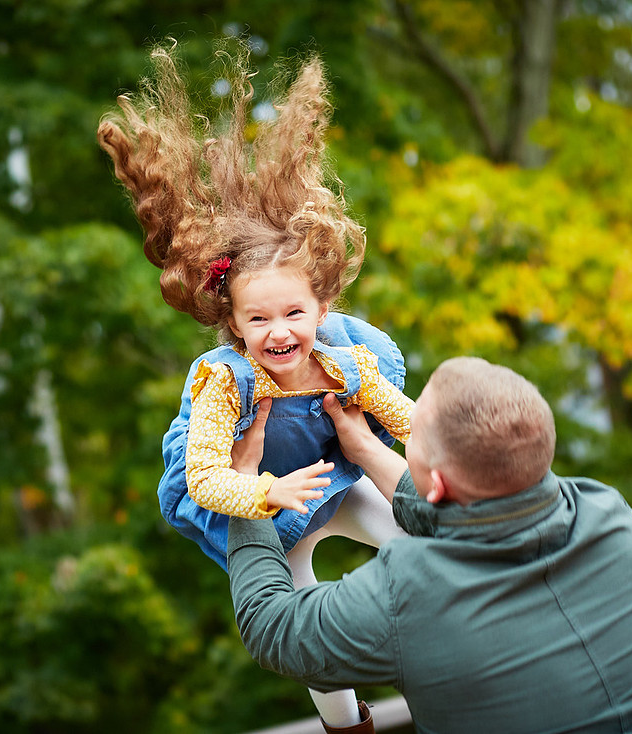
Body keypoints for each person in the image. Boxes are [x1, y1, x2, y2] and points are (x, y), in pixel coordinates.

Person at [96, 45, 414, 731]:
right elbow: (206, 475)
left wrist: (442, 451)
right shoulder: (225, 382)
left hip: (334, 477)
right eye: (259, 319)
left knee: (420, 543)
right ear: (233, 324)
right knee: (299, 608)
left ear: (322, 309)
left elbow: (407, 420)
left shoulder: (347, 355)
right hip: (265, 503)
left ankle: (439, 678)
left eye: (294, 314)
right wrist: (264, 493)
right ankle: (345, 722)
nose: (279, 332)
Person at [228, 356, 632, 733]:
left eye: (411, 438)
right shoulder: (607, 511)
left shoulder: (410, 593)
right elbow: (480, 517)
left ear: (439, 484)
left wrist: (244, 487)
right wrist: (366, 449)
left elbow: (271, 627)